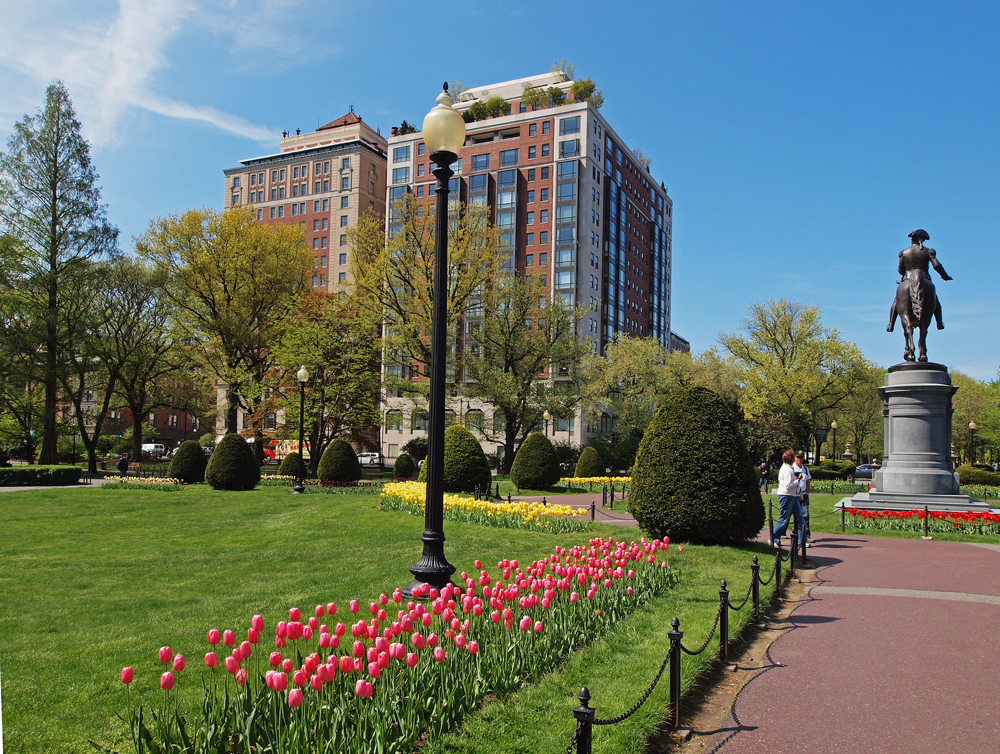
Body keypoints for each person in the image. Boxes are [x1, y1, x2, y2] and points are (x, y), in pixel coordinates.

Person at [771, 449, 804, 547]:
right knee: (784, 518)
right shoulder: (787, 469)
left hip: (792, 495)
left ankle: (800, 541)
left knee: (799, 517)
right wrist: (798, 480)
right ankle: (774, 538)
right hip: (787, 495)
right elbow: (788, 485)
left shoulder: (787, 468)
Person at [792, 451, 812, 545]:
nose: (799, 459)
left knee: (805, 514)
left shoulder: (805, 469)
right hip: (794, 494)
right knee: (790, 514)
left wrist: (807, 492)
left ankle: (806, 535)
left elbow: (807, 481)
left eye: (801, 457)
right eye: (798, 457)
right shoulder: (791, 468)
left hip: (803, 494)